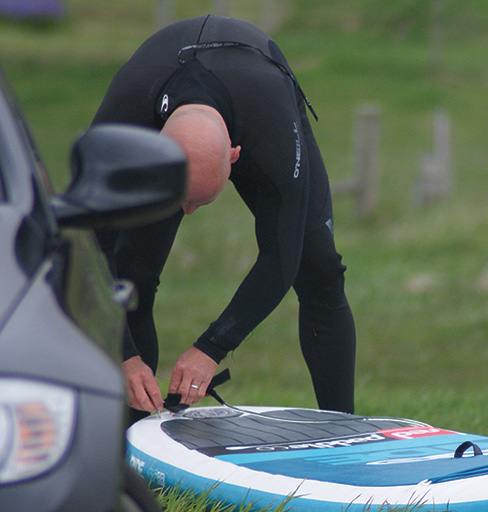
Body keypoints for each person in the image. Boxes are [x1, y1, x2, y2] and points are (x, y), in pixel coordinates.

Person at [93, 14, 356, 416]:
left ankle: (344, 430)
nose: (188, 213)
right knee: (132, 279)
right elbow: (90, 251)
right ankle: (136, 427)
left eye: (201, 201)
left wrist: (211, 347)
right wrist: (124, 356)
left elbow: (280, 258)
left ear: (234, 159)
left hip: (258, 89)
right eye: (180, 201)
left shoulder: (271, 137)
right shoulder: (122, 127)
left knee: (318, 270)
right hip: (156, 103)